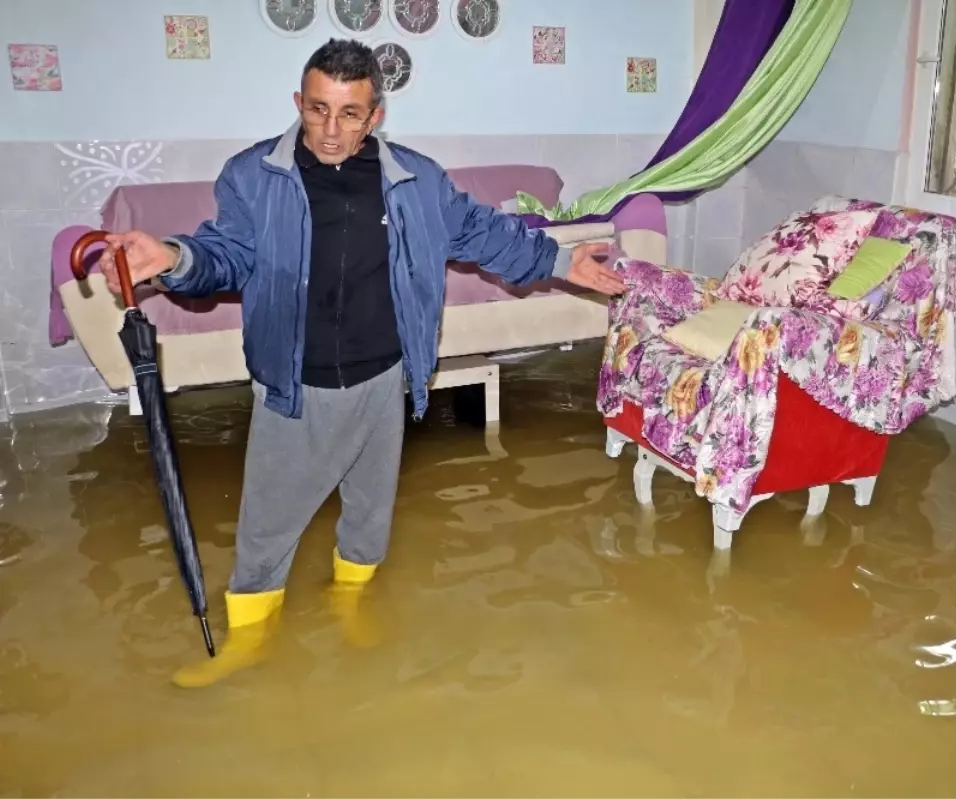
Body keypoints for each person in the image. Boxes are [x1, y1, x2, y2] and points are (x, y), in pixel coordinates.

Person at [97, 39, 625, 688]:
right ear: (299, 102)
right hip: (297, 378)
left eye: (349, 114)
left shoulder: (418, 180)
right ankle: (250, 639)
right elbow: (224, 255)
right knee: (268, 519)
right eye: (318, 109)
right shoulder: (252, 176)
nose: (329, 129)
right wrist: (174, 256)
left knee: (370, 506)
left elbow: (486, 233)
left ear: (375, 114)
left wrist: (566, 263)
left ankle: (349, 600)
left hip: (385, 372)